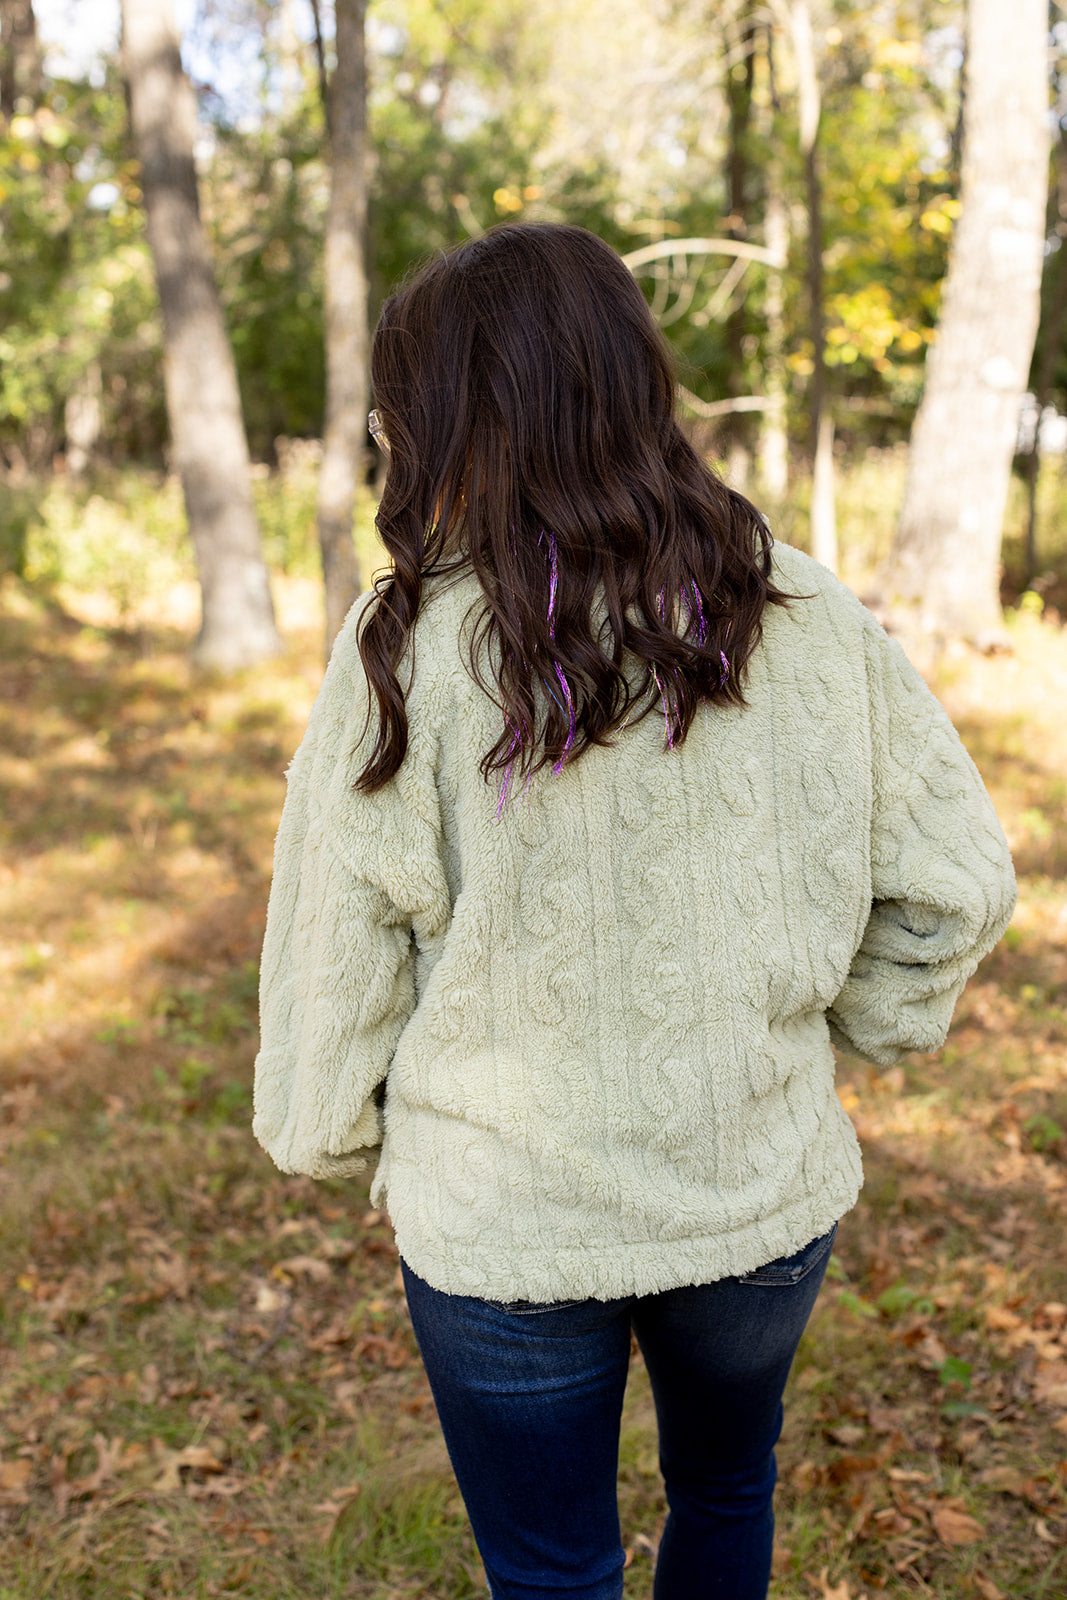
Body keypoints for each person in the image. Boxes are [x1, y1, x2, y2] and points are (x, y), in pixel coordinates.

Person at [252, 222, 1016, 1600]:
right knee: (729, 1488)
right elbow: (958, 878)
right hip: (753, 1188)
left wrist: (328, 1131)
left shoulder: (411, 650)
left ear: (444, 419)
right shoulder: (804, 613)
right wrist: (834, 1028)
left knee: (553, 1573)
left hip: (502, 1224)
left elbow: (332, 951)